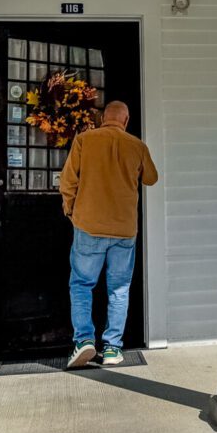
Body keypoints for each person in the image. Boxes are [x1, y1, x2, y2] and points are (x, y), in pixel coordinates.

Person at [58, 100, 158, 368]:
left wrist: (71, 211)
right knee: (119, 288)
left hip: (89, 226)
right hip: (124, 231)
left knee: (81, 284)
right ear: (126, 121)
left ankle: (84, 341)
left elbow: (67, 181)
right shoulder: (136, 145)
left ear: (103, 118)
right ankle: (113, 348)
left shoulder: (84, 140)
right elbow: (151, 178)